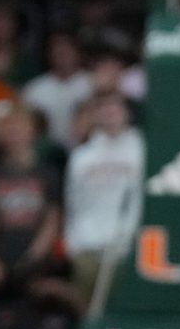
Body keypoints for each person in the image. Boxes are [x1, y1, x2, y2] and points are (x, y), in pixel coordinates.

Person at [62, 90, 145, 308]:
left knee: (123, 310)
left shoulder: (143, 150)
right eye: (101, 107)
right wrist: (73, 244)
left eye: (114, 106)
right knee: (89, 311)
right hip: (87, 247)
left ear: (126, 112)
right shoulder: (82, 156)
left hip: (127, 248)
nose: (108, 112)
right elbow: (73, 200)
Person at [0, 101, 62, 299]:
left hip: (37, 263)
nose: (14, 134)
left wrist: (32, 259)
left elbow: (52, 220)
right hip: (1, 257)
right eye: (8, 129)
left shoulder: (47, 173)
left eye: (18, 128)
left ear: (31, 131)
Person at [22, 30, 92, 150]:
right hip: (48, 154)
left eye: (67, 49)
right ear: (48, 54)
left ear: (78, 52)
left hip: (87, 150)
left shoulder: (92, 83)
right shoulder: (34, 89)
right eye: (57, 50)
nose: (62, 54)